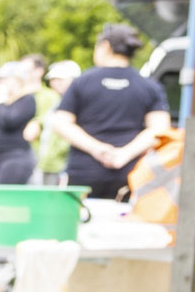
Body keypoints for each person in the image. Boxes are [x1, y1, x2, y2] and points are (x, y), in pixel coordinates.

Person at [54, 25, 170, 199]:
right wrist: (125, 154)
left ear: (105, 47)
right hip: (131, 174)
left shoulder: (82, 82)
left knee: (83, 224)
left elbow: (61, 122)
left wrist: (98, 150)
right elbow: (160, 128)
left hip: (84, 173)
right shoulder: (148, 86)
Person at [0, 60, 39, 185]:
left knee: (6, 198)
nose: (0, 83)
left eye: (4, 79)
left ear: (17, 80)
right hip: (0, 156)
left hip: (16, 158)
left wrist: (1, 101)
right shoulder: (9, 102)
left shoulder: (27, 99)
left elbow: (9, 121)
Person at [35, 59, 81, 185]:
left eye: (61, 79)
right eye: (53, 79)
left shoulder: (80, 104)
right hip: (47, 164)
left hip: (65, 165)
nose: (56, 83)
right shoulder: (55, 101)